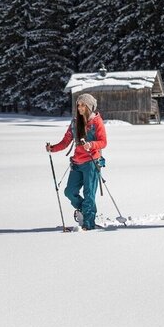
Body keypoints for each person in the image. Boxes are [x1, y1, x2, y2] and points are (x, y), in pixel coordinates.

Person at [45, 93, 107, 230]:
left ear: (89, 106)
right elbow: (66, 141)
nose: (79, 108)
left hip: (92, 163)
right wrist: (53, 148)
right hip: (77, 163)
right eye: (78, 105)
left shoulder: (96, 122)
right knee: (69, 191)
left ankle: (88, 224)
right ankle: (85, 211)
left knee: (89, 195)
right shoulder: (75, 123)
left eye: (83, 105)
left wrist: (91, 145)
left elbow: (103, 142)